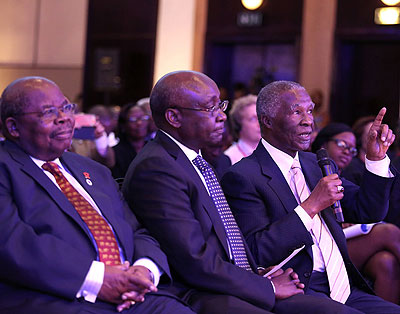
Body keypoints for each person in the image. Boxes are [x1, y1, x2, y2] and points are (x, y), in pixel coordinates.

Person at [0, 76, 194, 314]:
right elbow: (12, 243)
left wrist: (144, 270)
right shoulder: (5, 168)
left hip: (134, 295)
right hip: (59, 297)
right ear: (13, 127)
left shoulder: (93, 170)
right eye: (49, 112)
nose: (64, 118)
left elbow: (138, 231)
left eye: (66, 108)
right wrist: (99, 279)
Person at [122, 71, 311, 314]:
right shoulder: (157, 167)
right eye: (210, 108)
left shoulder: (195, 159)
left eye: (220, 105)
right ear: (174, 117)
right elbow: (193, 260)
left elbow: (224, 236)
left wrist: (256, 272)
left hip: (233, 281)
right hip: (197, 292)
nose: (222, 116)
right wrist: (265, 287)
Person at [221, 80, 400, 313]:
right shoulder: (243, 176)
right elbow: (256, 251)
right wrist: (311, 206)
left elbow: (368, 210)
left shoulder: (316, 163)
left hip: (343, 285)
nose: (308, 121)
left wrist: (375, 160)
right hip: (297, 287)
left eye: (310, 111)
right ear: (267, 120)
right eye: (296, 112)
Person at [312, 122, 400, 304]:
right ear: (323, 144)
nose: (347, 152)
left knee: (386, 262)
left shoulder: (342, 175)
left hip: (348, 239)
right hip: (317, 247)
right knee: (389, 232)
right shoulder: (308, 167)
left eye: (352, 150)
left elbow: (367, 210)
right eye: (342, 145)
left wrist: (377, 159)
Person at [112, 103, 149, 179]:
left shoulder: (154, 148)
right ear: (123, 125)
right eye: (133, 120)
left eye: (144, 118)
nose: (139, 123)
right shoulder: (115, 153)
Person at [224, 94, 261, 165]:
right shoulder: (229, 158)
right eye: (253, 119)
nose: (259, 123)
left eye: (260, 117)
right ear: (238, 124)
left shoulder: (274, 152)